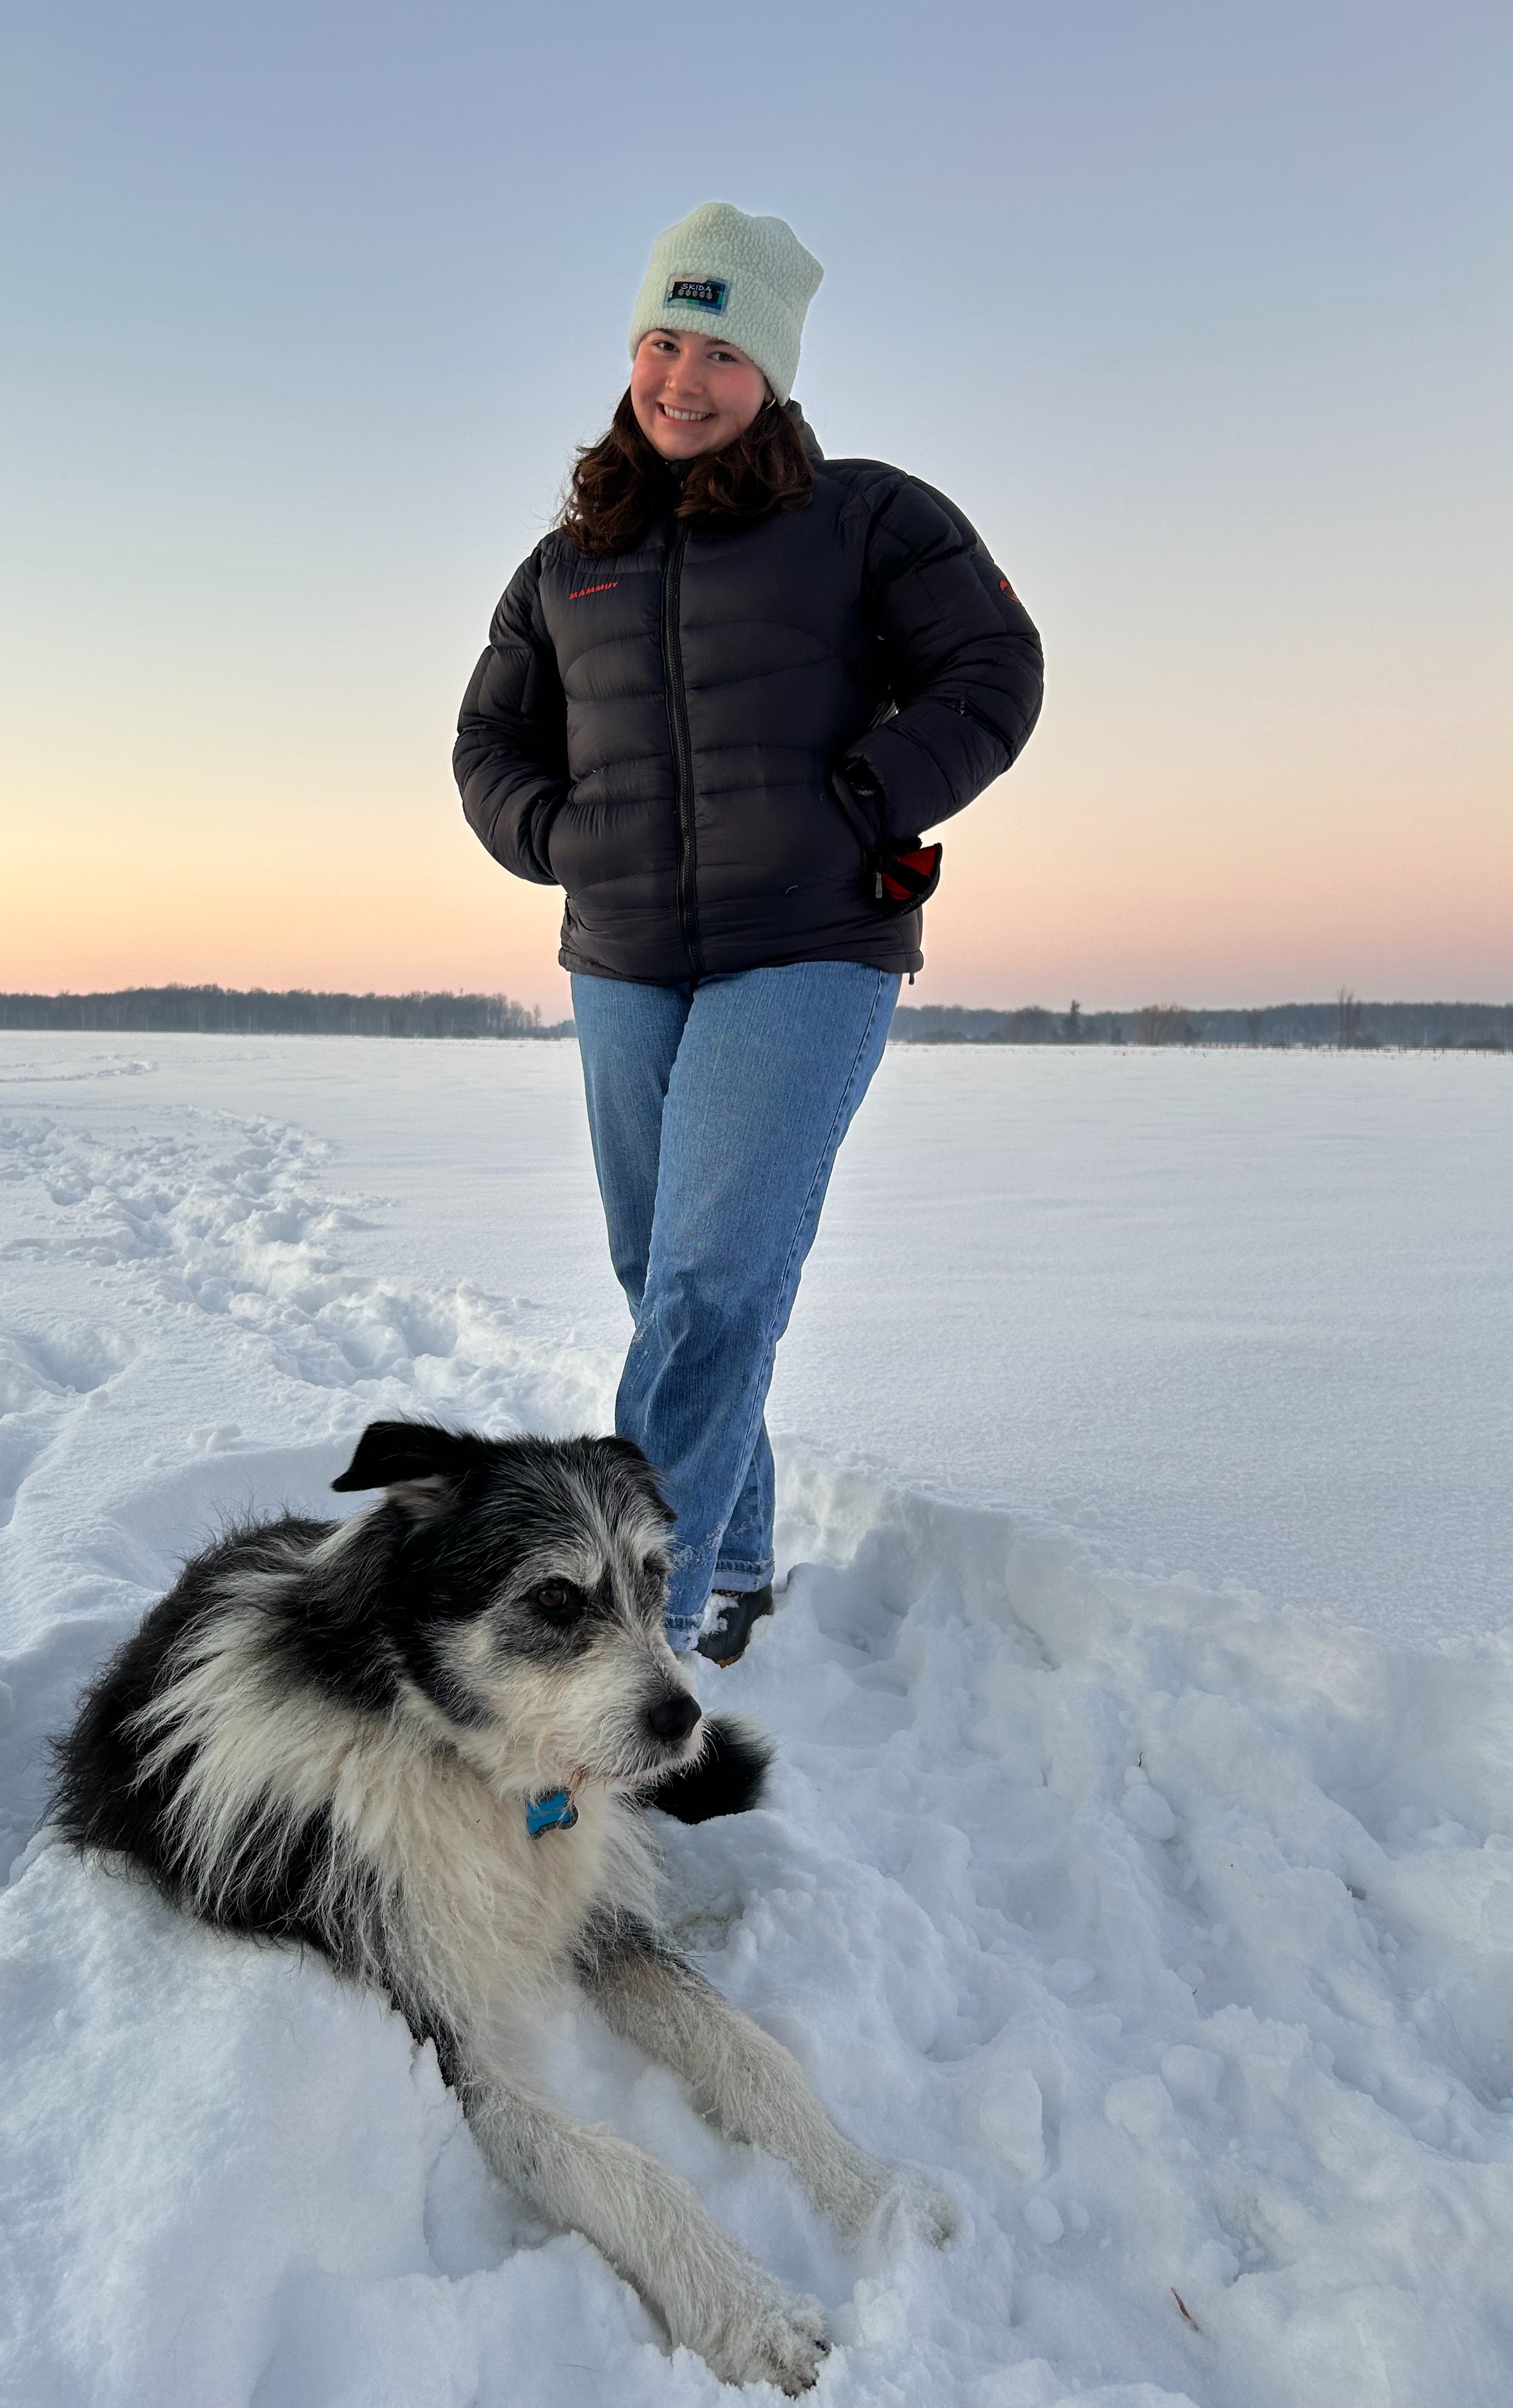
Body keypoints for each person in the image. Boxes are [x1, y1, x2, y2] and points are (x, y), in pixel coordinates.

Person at [456, 202, 1044, 1664]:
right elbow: (488, 744)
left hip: (809, 946)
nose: (685, 378)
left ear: (771, 371)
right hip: (624, 960)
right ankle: (729, 1556)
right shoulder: (567, 563)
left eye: (721, 351)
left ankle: (631, 1633)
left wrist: (864, 798)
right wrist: (561, 839)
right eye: (664, 341)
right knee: (661, 1281)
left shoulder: (867, 516)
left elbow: (994, 666)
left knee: (712, 1288)